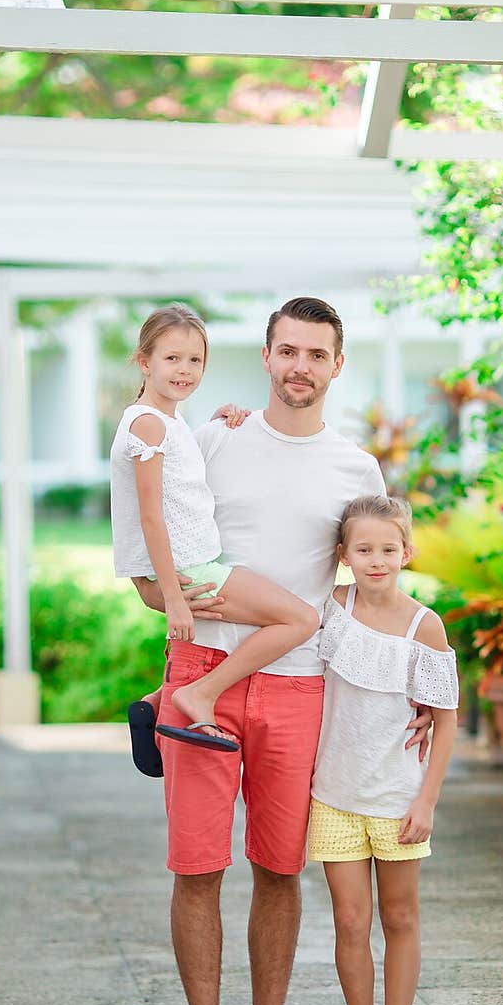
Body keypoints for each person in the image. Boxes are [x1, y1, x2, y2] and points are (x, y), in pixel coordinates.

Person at [129, 296, 434, 1005]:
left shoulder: (356, 470)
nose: (301, 366)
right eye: (287, 350)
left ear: (338, 366)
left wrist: (413, 696)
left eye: (317, 354)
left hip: (302, 689)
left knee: (279, 867)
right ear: (265, 356)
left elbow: (370, 587)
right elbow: (155, 558)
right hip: (201, 674)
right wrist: (181, 606)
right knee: (197, 866)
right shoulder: (213, 438)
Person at [110, 304, 319, 754]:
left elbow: (178, 482)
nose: (184, 370)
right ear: (144, 361)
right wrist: (172, 600)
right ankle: (196, 694)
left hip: (192, 564)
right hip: (191, 571)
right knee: (302, 618)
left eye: (195, 360)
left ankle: (159, 701)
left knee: (279, 621)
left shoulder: (164, 420)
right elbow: (151, 515)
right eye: (172, 359)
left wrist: (213, 424)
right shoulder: (147, 425)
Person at [309, 495, 459, 1005]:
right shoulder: (332, 608)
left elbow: (444, 717)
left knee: (399, 917)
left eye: (388, 550)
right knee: (350, 921)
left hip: (398, 796)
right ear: (343, 555)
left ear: (407, 553)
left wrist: (426, 801)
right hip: (334, 794)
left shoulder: (426, 625)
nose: (377, 560)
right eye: (364, 550)